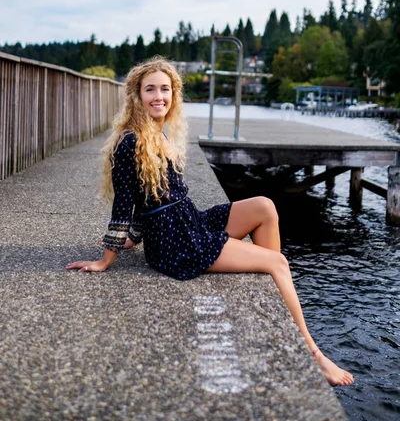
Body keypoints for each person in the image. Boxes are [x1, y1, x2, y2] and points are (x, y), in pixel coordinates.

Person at [66, 56, 354, 387]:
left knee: (265, 206)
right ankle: (311, 353)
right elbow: (125, 203)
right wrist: (107, 258)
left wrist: (135, 236)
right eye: (150, 90)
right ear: (136, 96)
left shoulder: (160, 132)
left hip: (190, 221)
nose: (159, 96)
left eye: (165, 89)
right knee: (277, 261)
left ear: (174, 94)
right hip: (177, 244)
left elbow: (150, 200)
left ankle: (273, 298)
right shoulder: (130, 141)